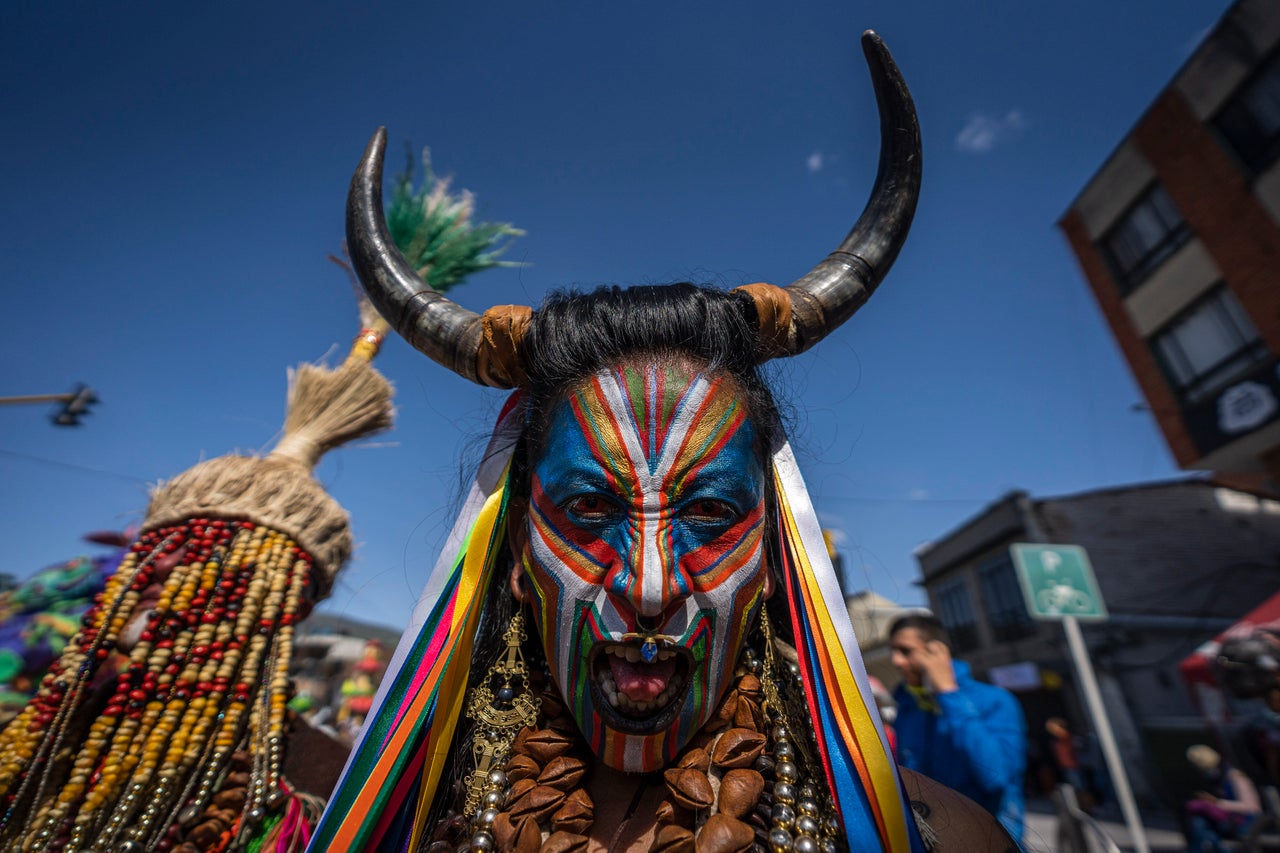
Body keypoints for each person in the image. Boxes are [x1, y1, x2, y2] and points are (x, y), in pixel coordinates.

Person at [311, 31, 1018, 853]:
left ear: (772, 548)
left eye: (713, 509)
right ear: (513, 550)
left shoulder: (941, 838)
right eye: (586, 505)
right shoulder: (415, 823)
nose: (649, 583)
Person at [889, 612, 1027, 843]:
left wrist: (949, 694)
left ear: (937, 652)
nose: (897, 661)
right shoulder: (907, 708)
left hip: (990, 843)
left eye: (906, 651)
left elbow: (995, 777)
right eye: (893, 651)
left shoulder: (995, 700)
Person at [1183, 744, 1259, 853]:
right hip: (1227, 819)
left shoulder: (1236, 778)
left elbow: (1252, 807)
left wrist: (1218, 803)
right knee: (1199, 824)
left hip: (1245, 821)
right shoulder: (1217, 780)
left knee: (1205, 829)